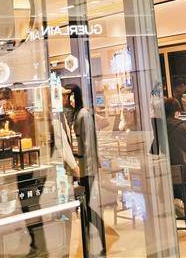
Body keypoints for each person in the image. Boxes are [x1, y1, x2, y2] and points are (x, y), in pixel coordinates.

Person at [64, 84, 107, 256]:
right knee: (87, 207)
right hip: (82, 167)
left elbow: (88, 145)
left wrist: (84, 170)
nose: (69, 99)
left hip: (87, 168)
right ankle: (92, 243)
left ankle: (99, 243)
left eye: (70, 95)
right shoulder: (76, 114)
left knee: (90, 206)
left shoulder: (83, 115)